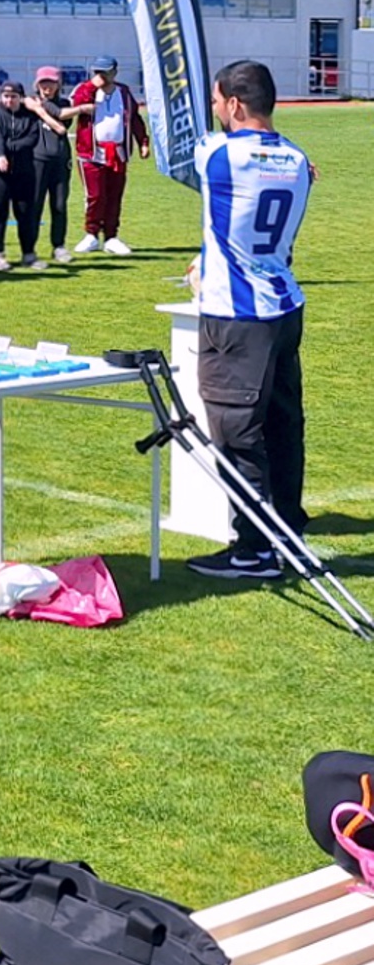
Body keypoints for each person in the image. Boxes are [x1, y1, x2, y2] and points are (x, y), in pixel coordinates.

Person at [183, 59, 312, 582]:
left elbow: (182, 146)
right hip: (283, 303)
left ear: (234, 105)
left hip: (237, 315)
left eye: (218, 102)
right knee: (284, 425)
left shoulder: (218, 153)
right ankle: (288, 531)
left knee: (238, 431)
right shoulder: (299, 160)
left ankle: (254, 547)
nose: (215, 111)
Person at [64, 54, 142, 255]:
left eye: (105, 72)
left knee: (114, 195)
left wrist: (143, 141)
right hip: (91, 153)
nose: (101, 76)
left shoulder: (124, 92)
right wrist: (92, 85)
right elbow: (74, 103)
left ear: (114, 72)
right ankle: (91, 234)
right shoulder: (85, 89)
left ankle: (111, 236)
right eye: (97, 71)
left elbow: (134, 118)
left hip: (117, 152)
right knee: (95, 195)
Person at [0, 81, 45, 272]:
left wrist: (10, 147)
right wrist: (1, 155)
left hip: (24, 170)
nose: (9, 100)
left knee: (26, 213)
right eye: (6, 96)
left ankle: (28, 253)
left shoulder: (30, 116)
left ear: (20, 97)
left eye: (13, 96)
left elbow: (32, 139)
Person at [24, 66, 77, 263]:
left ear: (58, 84)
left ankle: (59, 246)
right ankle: (29, 249)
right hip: (37, 161)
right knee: (34, 205)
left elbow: (62, 119)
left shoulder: (64, 104)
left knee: (59, 205)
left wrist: (41, 107)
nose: (47, 86)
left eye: (51, 82)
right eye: (43, 83)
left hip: (60, 161)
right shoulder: (28, 103)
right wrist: (35, 106)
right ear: (37, 84)